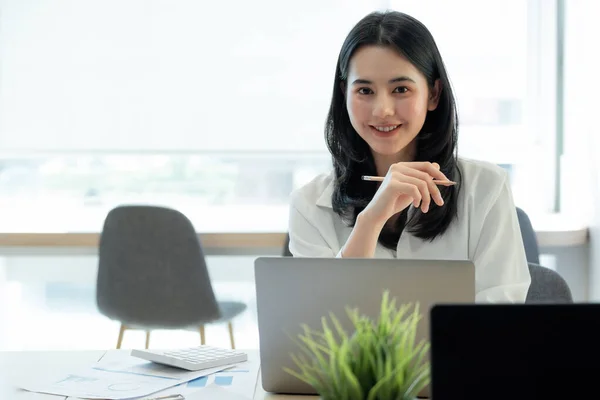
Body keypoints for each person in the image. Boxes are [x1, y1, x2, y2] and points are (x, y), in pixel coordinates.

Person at [287, 10, 531, 303]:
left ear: (433, 94)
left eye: (400, 89)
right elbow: (321, 327)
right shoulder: (308, 204)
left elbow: (501, 316)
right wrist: (370, 221)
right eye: (365, 90)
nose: (382, 110)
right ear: (345, 95)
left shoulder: (487, 188)